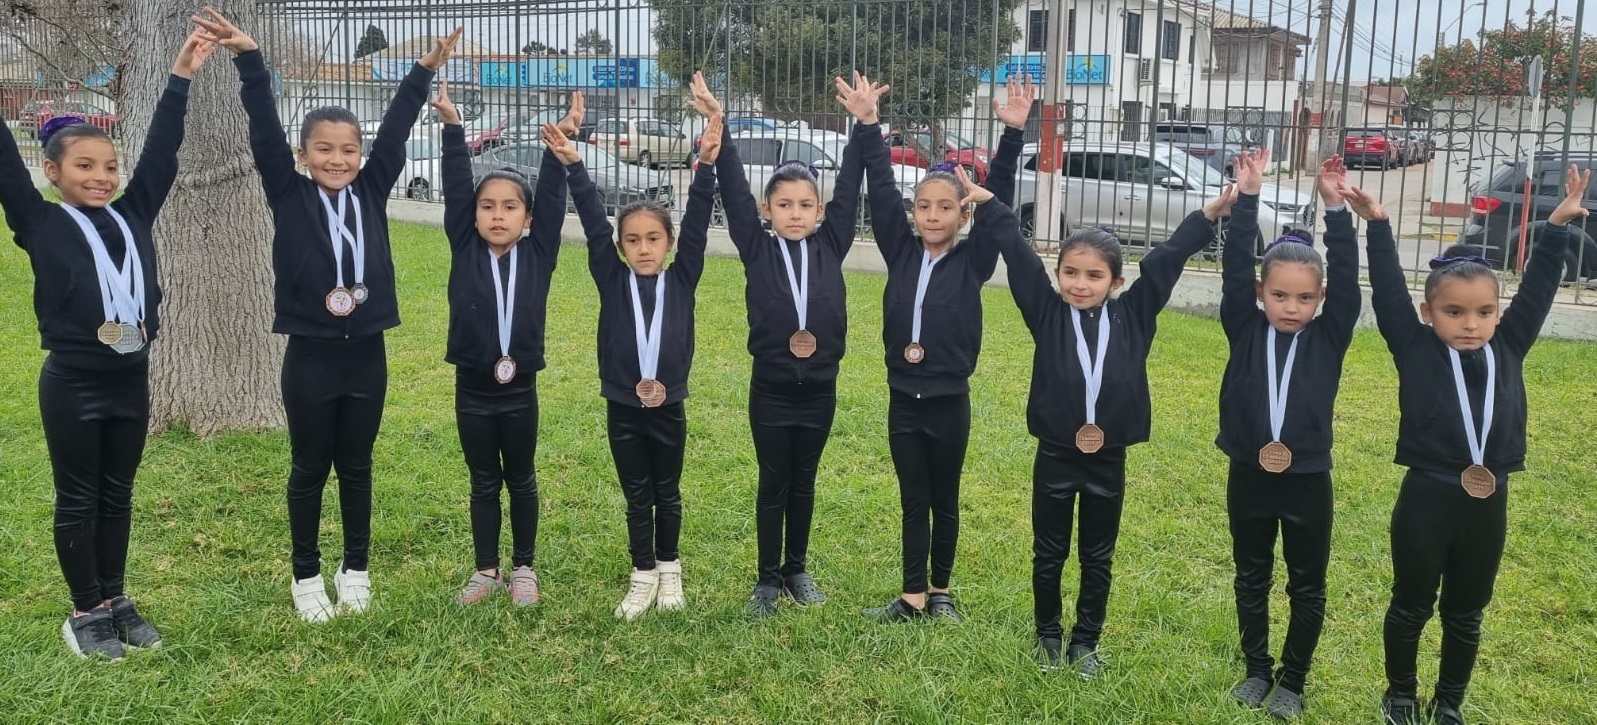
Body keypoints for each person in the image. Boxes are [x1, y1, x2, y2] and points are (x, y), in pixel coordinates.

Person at [195, 8, 462, 621]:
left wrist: (422, 70)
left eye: (348, 150)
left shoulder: (371, 190)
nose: (338, 160)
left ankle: (357, 569)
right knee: (310, 467)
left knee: (359, 466)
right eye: (325, 150)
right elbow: (262, 127)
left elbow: (396, 130)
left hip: (366, 352)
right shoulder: (287, 193)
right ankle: (307, 574)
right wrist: (251, 60)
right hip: (310, 355)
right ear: (304, 153)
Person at [0, 30, 214, 659]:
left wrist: (180, 76)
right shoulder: (38, 221)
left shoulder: (135, 211)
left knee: (118, 492)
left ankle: (116, 597)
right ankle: (85, 611)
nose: (102, 176)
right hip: (74, 382)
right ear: (53, 172)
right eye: (85, 166)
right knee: (79, 495)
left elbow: (163, 154)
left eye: (109, 166)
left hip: (131, 378)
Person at [1360, 166, 1586, 725]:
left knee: (1466, 612)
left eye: (1484, 312)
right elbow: (1388, 292)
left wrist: (1554, 227)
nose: (1470, 324)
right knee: (1411, 605)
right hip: (1426, 497)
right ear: (1428, 313)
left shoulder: (1508, 346)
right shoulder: (1414, 349)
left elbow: (1536, 289)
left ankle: (1451, 702)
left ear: (1498, 315)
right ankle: (1401, 695)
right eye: (1454, 312)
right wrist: (1379, 228)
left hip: (1489, 500)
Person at [999, 172, 1237, 676]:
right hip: (1056, 454)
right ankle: (1047, 634)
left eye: (1093, 276)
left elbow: (1167, 261)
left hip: (1108, 459)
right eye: (1070, 273)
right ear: (1058, 274)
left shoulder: (1135, 315)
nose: (1079, 284)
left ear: (1116, 282)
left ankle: (1085, 640)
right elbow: (1019, 261)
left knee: (1097, 555)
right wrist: (993, 208)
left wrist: (1208, 215)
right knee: (1049, 551)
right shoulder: (1046, 312)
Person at [689, 70, 876, 617]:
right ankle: (767, 579)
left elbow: (853, 180)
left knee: (805, 480)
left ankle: (797, 569)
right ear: (767, 210)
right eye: (784, 205)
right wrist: (716, 119)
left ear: (820, 212)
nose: (795, 214)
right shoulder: (756, 245)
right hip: (770, 388)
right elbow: (731, 186)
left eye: (805, 205)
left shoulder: (832, 242)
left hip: (818, 388)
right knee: (773, 483)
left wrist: (864, 124)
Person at [856, 75, 1032, 624]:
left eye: (945, 208)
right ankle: (910, 595)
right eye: (924, 207)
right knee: (913, 500)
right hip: (902, 400)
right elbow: (881, 189)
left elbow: (995, 196)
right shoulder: (901, 251)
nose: (932, 216)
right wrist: (868, 126)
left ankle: (940, 593)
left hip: (949, 401)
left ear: (962, 215)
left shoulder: (974, 261)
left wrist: (1013, 136)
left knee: (945, 500)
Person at [1215, 152, 1360, 719]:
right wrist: (1248, 197)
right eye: (1280, 296)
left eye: (1304, 298)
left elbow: (1347, 278)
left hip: (1307, 480)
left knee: (1307, 584)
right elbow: (1233, 266)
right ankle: (1256, 670)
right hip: (1248, 474)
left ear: (1320, 300)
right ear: (1260, 292)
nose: (1292, 308)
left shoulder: (1330, 335)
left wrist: (1335, 209)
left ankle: (1294, 679)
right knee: (1251, 575)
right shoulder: (1243, 324)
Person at [569, 109, 721, 621]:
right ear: (620, 247)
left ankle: (670, 567)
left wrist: (706, 163)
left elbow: (698, 223)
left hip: (669, 402)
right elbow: (593, 223)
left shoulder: (682, 279)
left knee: (667, 492)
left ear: (669, 244)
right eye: (632, 241)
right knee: (637, 493)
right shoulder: (612, 281)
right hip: (622, 404)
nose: (643, 248)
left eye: (653, 239)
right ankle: (642, 573)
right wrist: (573, 165)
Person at [434, 82, 579, 608]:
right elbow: (455, 185)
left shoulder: (539, 253)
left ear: (528, 218)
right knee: (481, 479)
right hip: (472, 385)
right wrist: (453, 127)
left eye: (510, 207)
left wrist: (557, 147)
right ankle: (486, 570)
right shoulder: (465, 244)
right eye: (488, 206)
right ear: (473, 216)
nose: (498, 215)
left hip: (521, 387)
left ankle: (523, 568)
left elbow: (555, 195)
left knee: (520, 477)